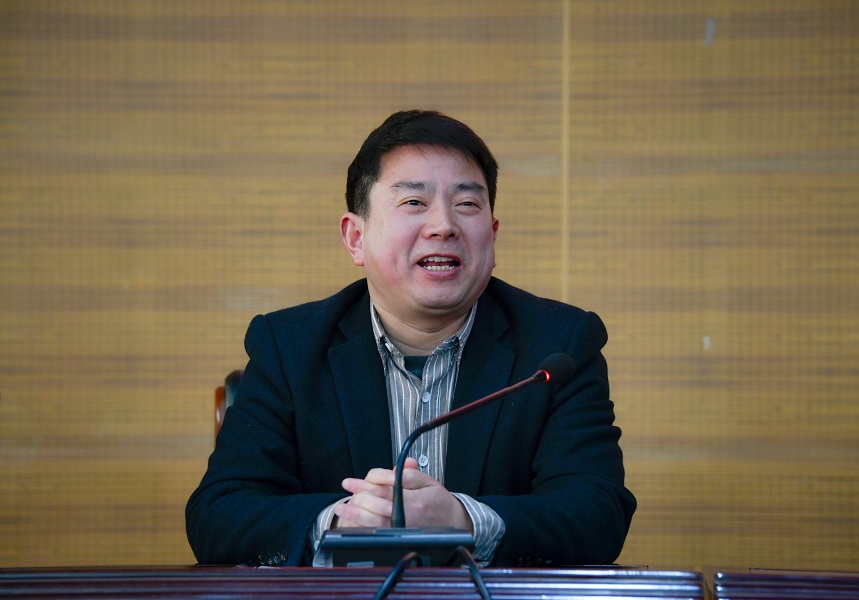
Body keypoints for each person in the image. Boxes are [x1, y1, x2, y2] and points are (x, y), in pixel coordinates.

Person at [185, 109, 636, 568]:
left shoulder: (559, 345)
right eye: (414, 202)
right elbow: (218, 514)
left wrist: (465, 520)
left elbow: (597, 513)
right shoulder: (289, 347)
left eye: (467, 204)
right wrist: (340, 522)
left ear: (492, 234)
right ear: (356, 238)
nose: (444, 225)